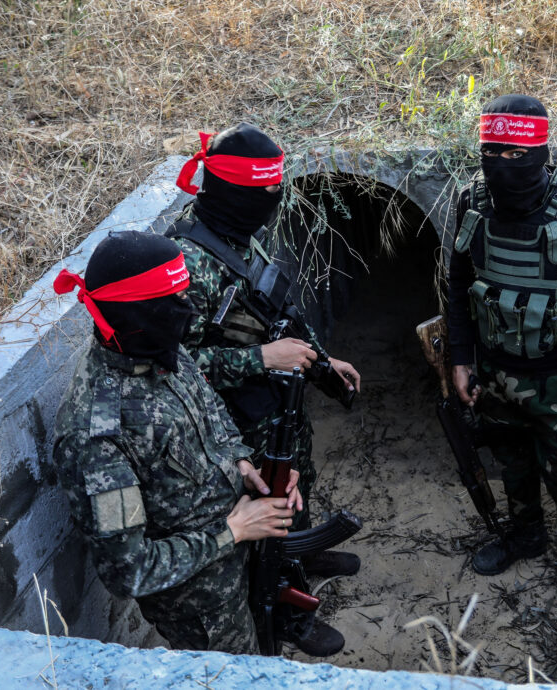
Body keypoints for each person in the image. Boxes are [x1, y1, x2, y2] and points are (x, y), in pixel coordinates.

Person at [50, 231, 316, 655]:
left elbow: (216, 425)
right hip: (202, 608)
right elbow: (128, 571)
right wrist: (233, 531)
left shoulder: (161, 350)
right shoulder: (96, 433)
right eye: (170, 301)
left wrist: (246, 468)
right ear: (132, 313)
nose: (187, 310)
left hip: (244, 554)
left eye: (184, 293)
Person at [447, 94, 557, 632]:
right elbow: (458, 287)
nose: (502, 164)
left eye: (515, 154)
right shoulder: (471, 203)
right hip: (495, 372)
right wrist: (461, 359)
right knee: (513, 465)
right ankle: (525, 536)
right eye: (491, 151)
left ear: (540, 153)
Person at [168, 123, 361, 576]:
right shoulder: (190, 263)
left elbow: (277, 311)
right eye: (264, 189)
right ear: (232, 191)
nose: (273, 198)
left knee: (297, 481)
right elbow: (175, 370)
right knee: (265, 504)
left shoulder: (237, 235)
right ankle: (285, 595)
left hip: (276, 404)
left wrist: (321, 359)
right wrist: (260, 359)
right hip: (237, 421)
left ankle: (305, 553)